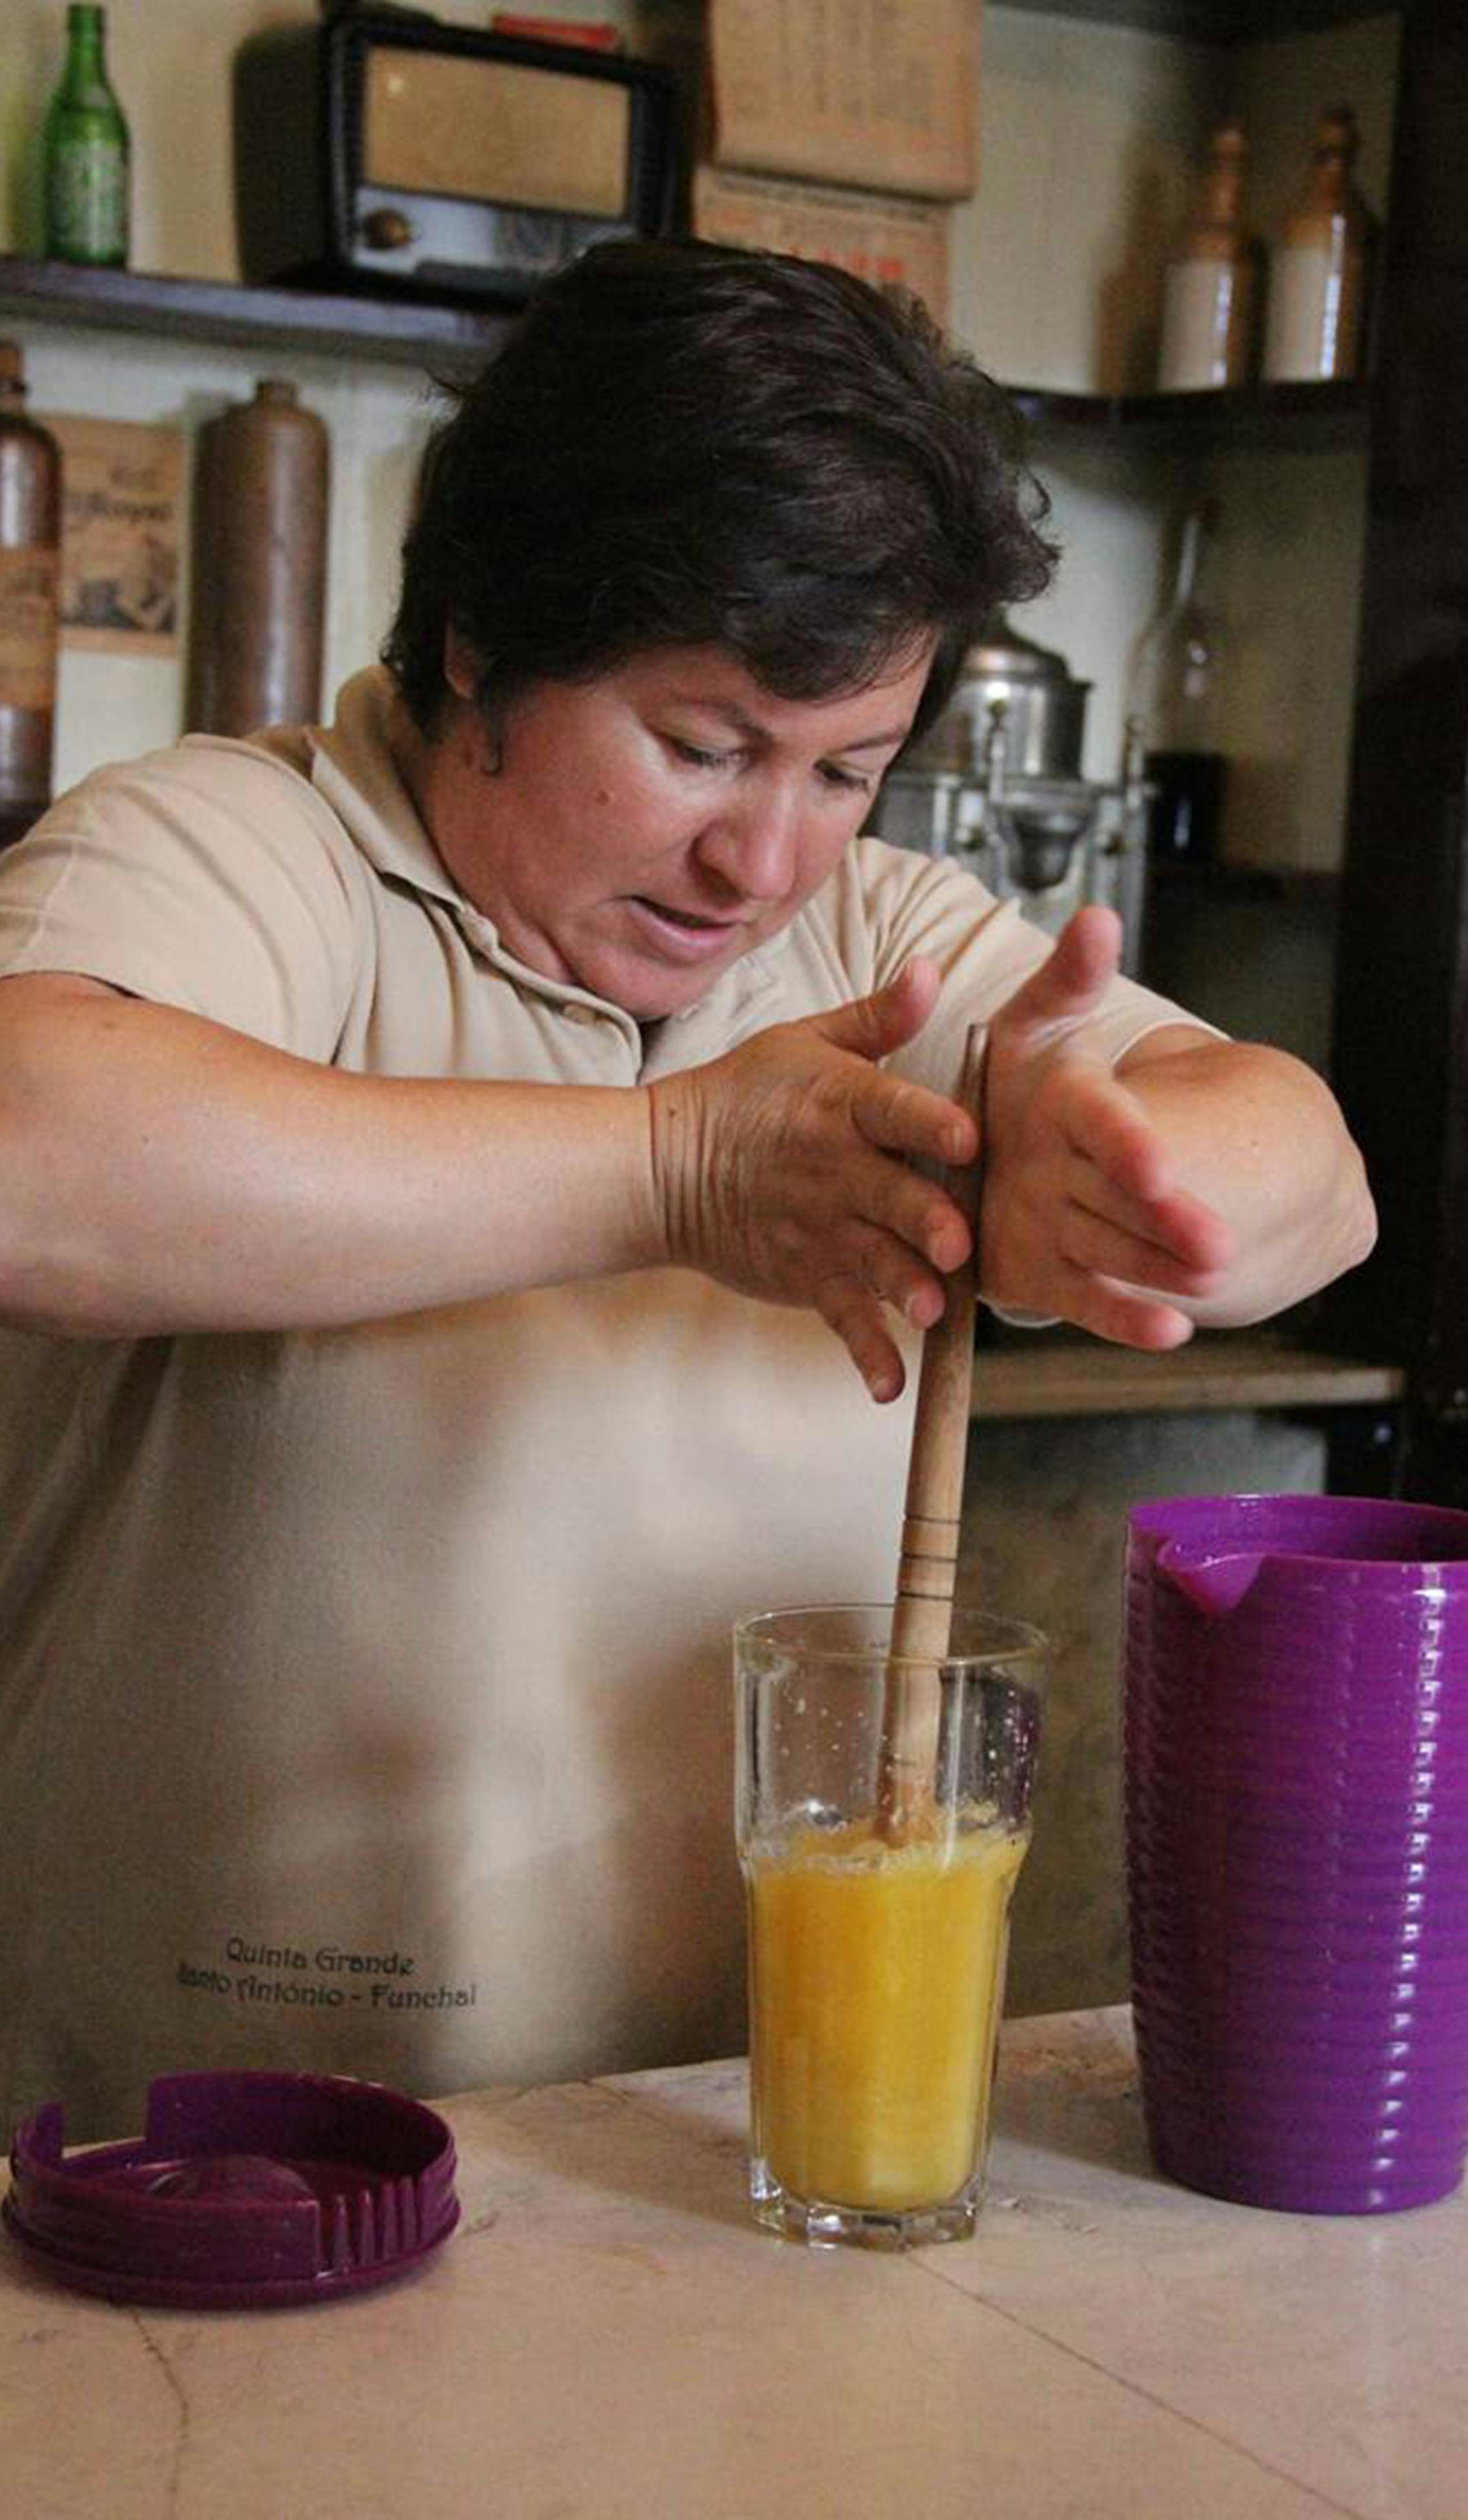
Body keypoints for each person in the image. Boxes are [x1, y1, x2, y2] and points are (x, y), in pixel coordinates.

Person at [0, 241, 1374, 2140]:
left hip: (717, 2138)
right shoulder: (250, 846)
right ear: (480, 636)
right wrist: (678, 1167)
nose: (763, 862)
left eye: (846, 771)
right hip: (191, 2147)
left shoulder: (876, 940)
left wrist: (1143, 1182)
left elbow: (1316, 1178)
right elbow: (33, 1156)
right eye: (701, 747)